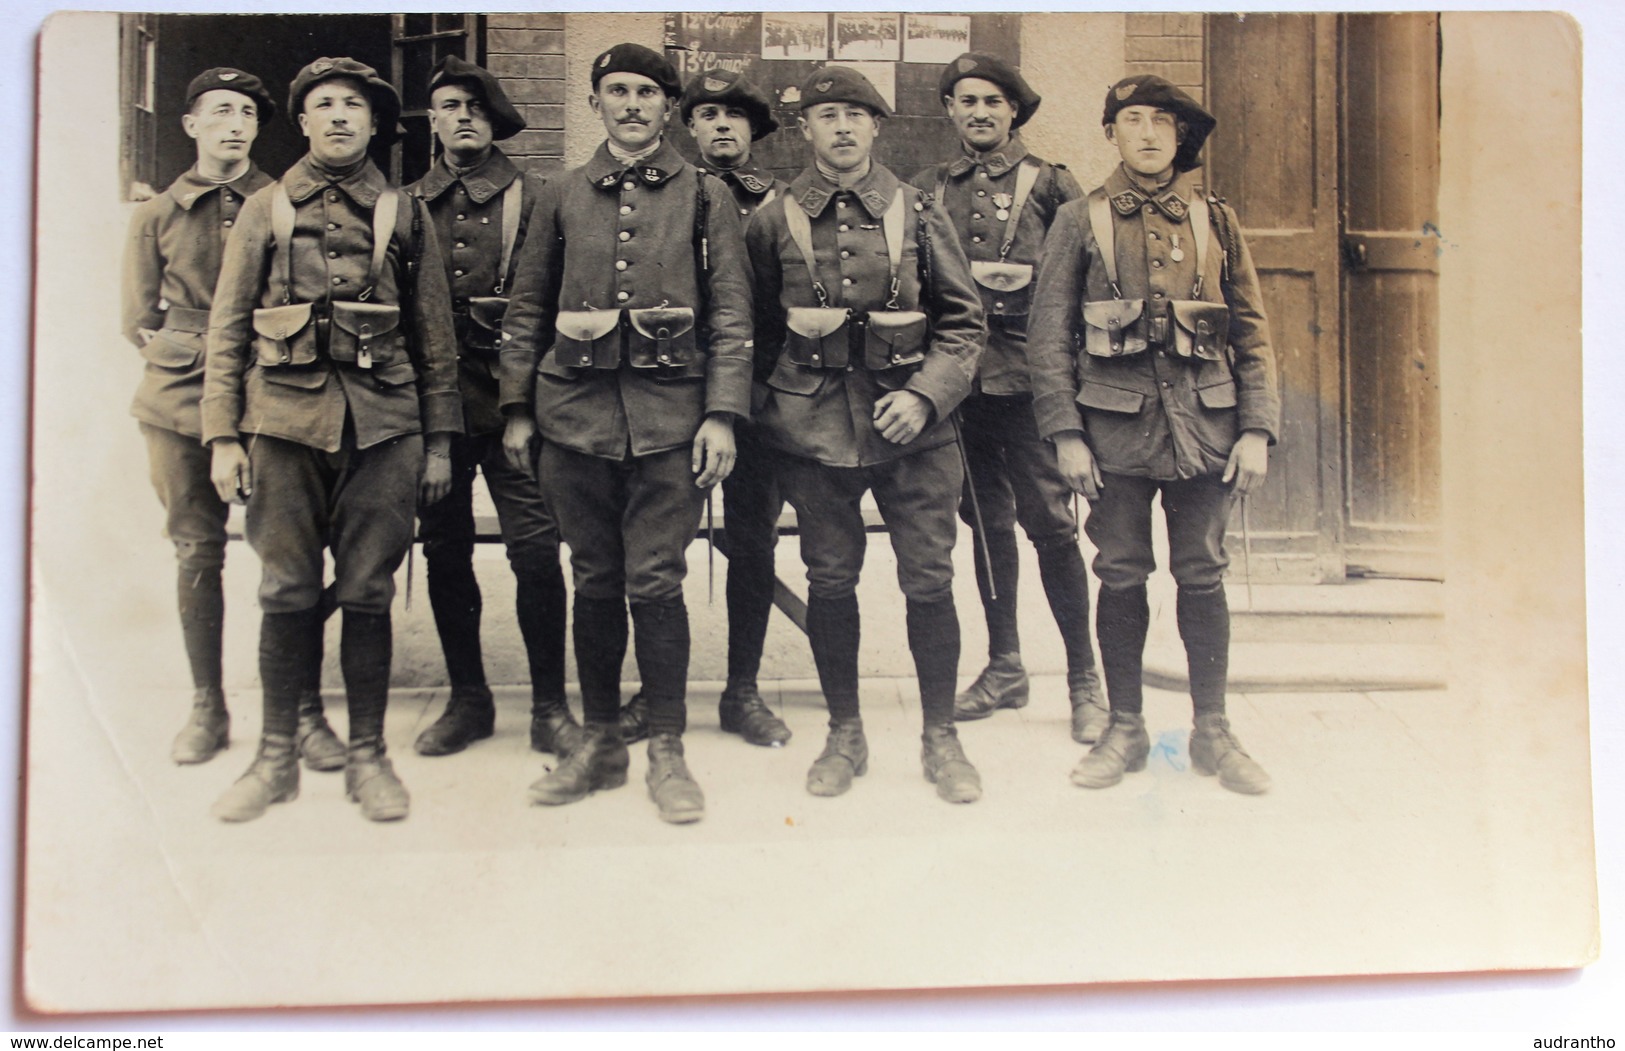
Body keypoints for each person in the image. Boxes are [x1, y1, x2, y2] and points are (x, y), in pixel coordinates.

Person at [202, 57, 462, 822]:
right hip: (281, 424)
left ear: (377, 123)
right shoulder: (267, 207)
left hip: (384, 427)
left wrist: (439, 440)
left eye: (355, 104)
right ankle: (275, 755)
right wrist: (222, 434)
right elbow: (227, 326)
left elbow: (433, 335)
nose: (341, 115)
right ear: (304, 121)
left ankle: (367, 755)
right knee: (283, 588)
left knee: (367, 591)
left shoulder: (402, 212)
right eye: (323, 104)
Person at [499, 43, 753, 825]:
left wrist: (720, 414)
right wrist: (516, 409)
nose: (634, 104)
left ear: (665, 105)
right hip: (573, 419)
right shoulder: (559, 193)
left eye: (647, 92)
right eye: (618, 91)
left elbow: (732, 314)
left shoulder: (706, 198)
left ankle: (667, 747)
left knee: (656, 581)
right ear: (595, 103)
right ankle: (602, 743)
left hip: (671, 420)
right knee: (595, 579)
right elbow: (526, 307)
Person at [1027, 74, 1280, 794]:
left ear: (1178, 138)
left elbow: (1252, 331)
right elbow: (1047, 338)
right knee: (1120, 571)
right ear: (1110, 134)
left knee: (1201, 571)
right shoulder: (1079, 219)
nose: (1145, 133)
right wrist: (1065, 434)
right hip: (1114, 434)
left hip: (1205, 426)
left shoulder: (1215, 219)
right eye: (1130, 120)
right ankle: (1125, 727)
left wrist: (1256, 428)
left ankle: (1212, 731)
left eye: (1160, 123)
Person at [746, 66, 987, 803]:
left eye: (855, 114)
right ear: (805, 130)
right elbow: (752, 333)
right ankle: (844, 732)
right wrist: (773, 415)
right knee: (829, 579)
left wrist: (924, 395)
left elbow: (963, 323)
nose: (842, 128)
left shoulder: (917, 211)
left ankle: (939, 734)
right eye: (826, 116)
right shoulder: (771, 217)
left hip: (915, 432)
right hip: (812, 434)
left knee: (928, 579)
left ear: (876, 126)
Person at [121, 68, 346, 772]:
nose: (236, 125)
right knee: (197, 548)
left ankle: (302, 707)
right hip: (180, 398)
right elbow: (136, 319)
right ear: (190, 125)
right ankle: (207, 705)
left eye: (248, 113)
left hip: (277, 389)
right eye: (221, 112)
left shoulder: (285, 203)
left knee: (295, 552)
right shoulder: (155, 215)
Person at [911, 53, 1109, 744]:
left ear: (1013, 111)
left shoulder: (1051, 185)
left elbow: (1086, 285)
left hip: (1030, 381)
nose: (978, 113)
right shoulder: (928, 187)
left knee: (1051, 523)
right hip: (961, 388)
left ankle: (1085, 678)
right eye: (964, 101)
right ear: (949, 111)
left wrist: (1075, 387)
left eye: (992, 102)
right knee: (984, 526)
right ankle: (1004, 666)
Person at [405, 56, 580, 761]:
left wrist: (525, 409)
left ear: (495, 117)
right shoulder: (405, 203)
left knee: (537, 552)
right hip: (432, 414)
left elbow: (554, 310)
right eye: (448, 105)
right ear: (434, 120)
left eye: (474, 106)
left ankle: (549, 707)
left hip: (518, 410)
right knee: (444, 550)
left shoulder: (537, 198)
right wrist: (427, 426)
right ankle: (467, 700)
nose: (462, 117)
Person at [646, 66, 793, 749]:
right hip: (671, 395)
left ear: (755, 130)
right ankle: (656, 693)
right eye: (706, 115)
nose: (721, 126)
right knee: (657, 546)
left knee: (752, 544)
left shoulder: (783, 205)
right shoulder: (661, 196)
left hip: (757, 399)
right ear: (690, 126)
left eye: (735, 115)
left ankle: (742, 689)